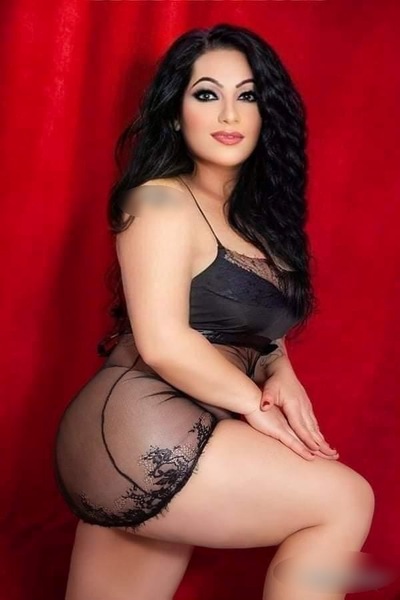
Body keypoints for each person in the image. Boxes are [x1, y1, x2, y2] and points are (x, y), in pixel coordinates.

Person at [53, 23, 375, 600]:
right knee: (345, 500)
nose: (229, 113)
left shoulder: (256, 220)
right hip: (141, 423)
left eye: (246, 96)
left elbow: (249, 323)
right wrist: (255, 405)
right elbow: (163, 342)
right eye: (207, 94)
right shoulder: (159, 198)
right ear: (176, 114)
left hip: (173, 428)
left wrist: (280, 370)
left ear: (265, 114)